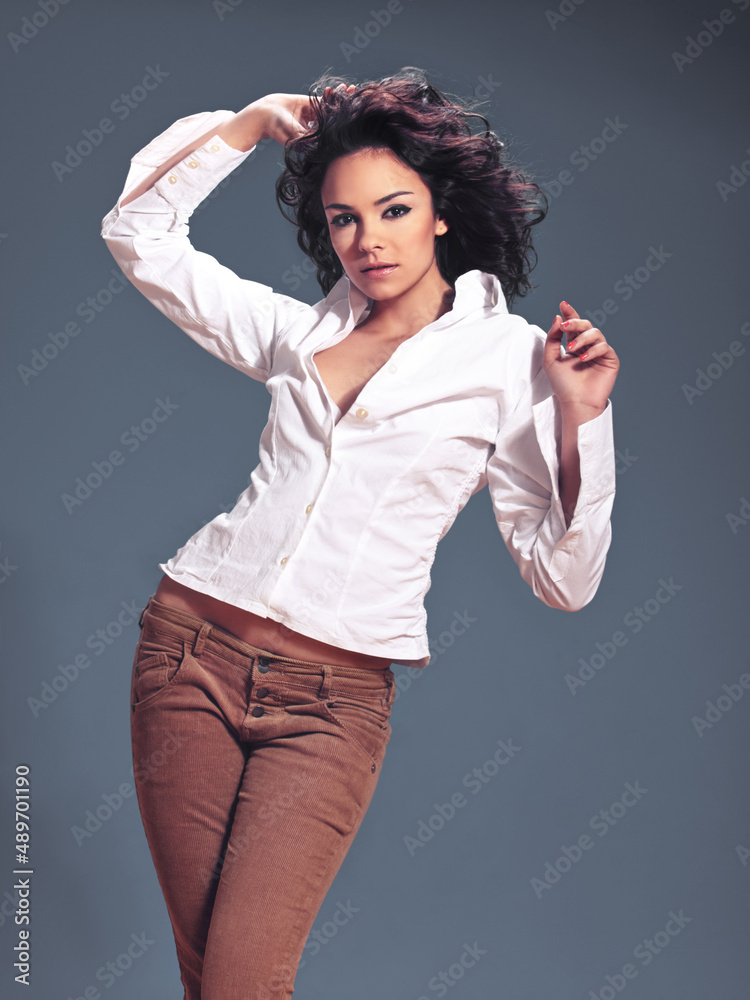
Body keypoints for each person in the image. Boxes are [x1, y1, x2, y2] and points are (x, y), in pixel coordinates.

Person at [100, 67, 619, 999]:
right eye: (344, 219)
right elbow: (137, 234)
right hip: (186, 657)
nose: (368, 240)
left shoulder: (509, 363)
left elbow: (564, 576)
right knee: (206, 979)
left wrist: (582, 422)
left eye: (392, 210)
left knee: (243, 980)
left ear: (441, 214)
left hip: (332, 705)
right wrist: (247, 125)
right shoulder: (294, 337)